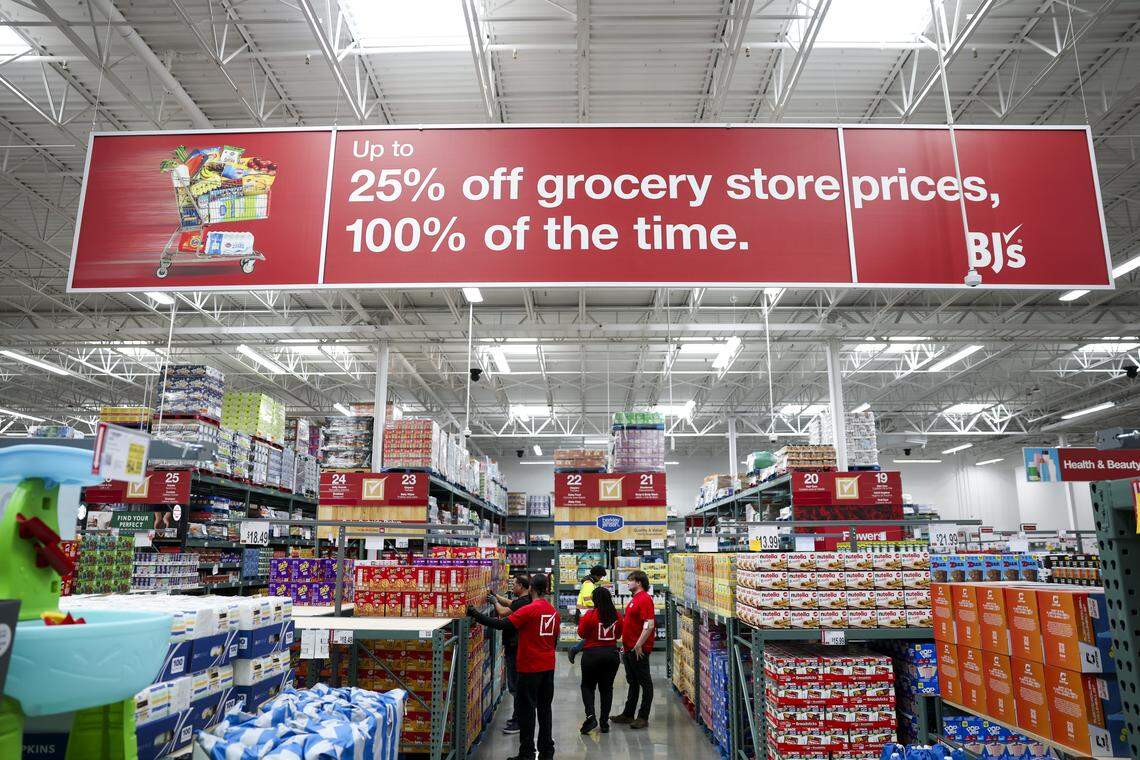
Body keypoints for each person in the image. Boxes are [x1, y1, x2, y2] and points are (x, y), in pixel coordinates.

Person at [469, 572, 560, 760]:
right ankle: (547, 751)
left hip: (529, 666)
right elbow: (555, 640)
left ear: (531, 589)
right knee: (545, 709)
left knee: (527, 712)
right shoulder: (553, 612)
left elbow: (501, 624)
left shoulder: (529, 610)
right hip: (548, 667)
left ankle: (526, 754)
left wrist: (475, 615)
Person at [610, 569, 655, 730]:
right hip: (629, 648)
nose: (627, 583)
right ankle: (628, 714)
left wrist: (639, 644)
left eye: (630, 580)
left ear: (639, 582)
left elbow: (649, 624)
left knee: (645, 683)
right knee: (633, 682)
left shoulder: (644, 599)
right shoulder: (634, 599)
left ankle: (643, 717)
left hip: (639, 649)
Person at [489, 573, 532, 734]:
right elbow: (510, 603)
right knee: (516, 686)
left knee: (515, 687)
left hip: (515, 647)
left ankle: (518, 720)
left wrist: (494, 602)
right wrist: (496, 596)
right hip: (517, 646)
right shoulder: (524, 600)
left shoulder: (522, 603)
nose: (512, 587)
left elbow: (502, 612)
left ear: (521, 586)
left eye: (514, 584)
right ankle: (517, 716)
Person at [576, 586, 622, 735]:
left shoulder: (590, 615)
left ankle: (591, 717)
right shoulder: (617, 615)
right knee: (607, 689)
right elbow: (620, 634)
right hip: (611, 655)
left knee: (587, 686)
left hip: (591, 655)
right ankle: (604, 722)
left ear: (595, 600)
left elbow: (582, 633)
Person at [567, 565, 606, 665]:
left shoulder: (588, 582)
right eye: (600, 576)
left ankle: (576, 650)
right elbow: (587, 600)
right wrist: (599, 606)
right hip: (586, 612)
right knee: (592, 635)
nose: (601, 579)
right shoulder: (589, 584)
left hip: (586, 612)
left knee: (591, 635)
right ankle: (575, 649)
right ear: (597, 575)